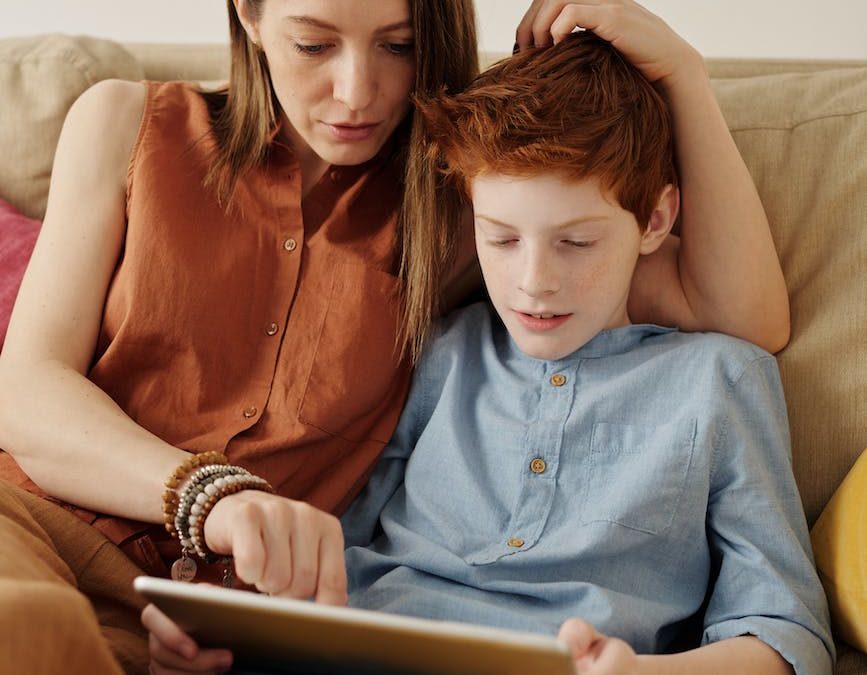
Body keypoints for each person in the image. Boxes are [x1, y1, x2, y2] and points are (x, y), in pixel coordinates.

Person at [0, 0, 789, 673]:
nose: (356, 91)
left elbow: (735, 316)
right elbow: (26, 394)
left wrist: (683, 74)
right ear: (248, 12)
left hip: (207, 620)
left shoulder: (467, 205)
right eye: (313, 43)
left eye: (398, 46)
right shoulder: (124, 123)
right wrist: (219, 498)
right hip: (37, 525)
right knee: (23, 626)